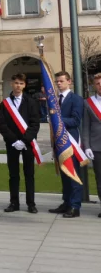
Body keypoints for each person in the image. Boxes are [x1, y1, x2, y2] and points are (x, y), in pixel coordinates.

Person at [0, 73, 40, 214]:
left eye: (21, 83)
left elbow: (35, 124)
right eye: (16, 83)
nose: (18, 86)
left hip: (27, 144)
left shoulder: (31, 102)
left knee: (29, 174)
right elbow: (2, 126)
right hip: (12, 144)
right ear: (11, 84)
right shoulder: (4, 104)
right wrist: (14, 141)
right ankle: (14, 202)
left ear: (25, 85)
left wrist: (24, 140)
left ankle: (31, 203)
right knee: (13, 174)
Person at [49, 71, 84, 218]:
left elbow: (76, 120)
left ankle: (75, 206)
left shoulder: (76, 99)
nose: (58, 83)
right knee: (64, 174)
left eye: (61, 81)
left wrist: (57, 119)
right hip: (59, 141)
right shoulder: (55, 100)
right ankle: (66, 203)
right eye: (57, 81)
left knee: (73, 174)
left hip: (71, 141)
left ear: (69, 82)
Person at [82, 72, 101, 218]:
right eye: (98, 83)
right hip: (96, 147)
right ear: (93, 85)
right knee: (100, 179)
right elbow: (86, 127)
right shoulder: (88, 103)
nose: (100, 86)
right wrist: (87, 146)